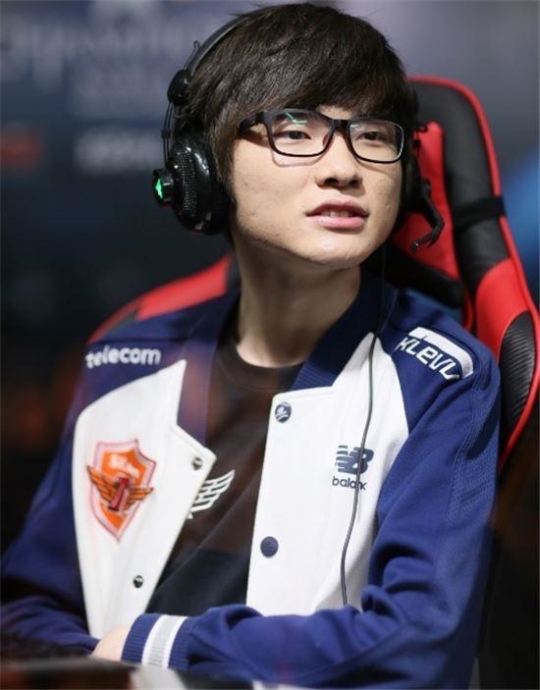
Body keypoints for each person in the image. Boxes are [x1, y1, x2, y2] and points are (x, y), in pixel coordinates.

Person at [1, 3, 500, 687]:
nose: (344, 168)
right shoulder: (122, 363)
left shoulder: (440, 379)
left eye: (373, 136)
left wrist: (157, 644)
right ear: (202, 169)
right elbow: (27, 609)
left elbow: (417, 646)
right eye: (295, 130)